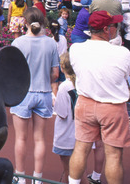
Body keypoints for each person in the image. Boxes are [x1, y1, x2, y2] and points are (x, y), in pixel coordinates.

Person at [68, 11, 130, 184]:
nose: (116, 28)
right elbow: (127, 73)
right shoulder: (122, 53)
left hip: (85, 104)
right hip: (113, 107)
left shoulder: (75, 49)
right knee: (114, 155)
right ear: (106, 29)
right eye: (114, 25)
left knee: (81, 148)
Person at [9, 7, 59, 183]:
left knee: (20, 138)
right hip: (44, 92)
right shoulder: (51, 43)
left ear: (26, 22)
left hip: (23, 93)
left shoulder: (18, 43)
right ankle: (38, 178)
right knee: (40, 139)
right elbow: (55, 73)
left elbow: (12, 70)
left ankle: (20, 177)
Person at [53, 53, 77, 184]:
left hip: (66, 134)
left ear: (62, 67)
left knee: (69, 170)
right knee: (78, 168)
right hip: (78, 132)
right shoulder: (79, 84)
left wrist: (54, 102)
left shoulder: (64, 87)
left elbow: (61, 113)